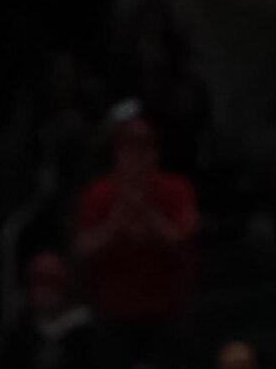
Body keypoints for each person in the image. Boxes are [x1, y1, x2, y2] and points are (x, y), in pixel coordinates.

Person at [71, 114, 200, 335]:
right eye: (131, 149)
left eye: (145, 148)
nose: (138, 157)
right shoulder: (99, 194)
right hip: (113, 314)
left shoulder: (177, 188)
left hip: (168, 310)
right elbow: (83, 248)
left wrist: (145, 210)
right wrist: (118, 220)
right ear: (118, 154)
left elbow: (183, 239)